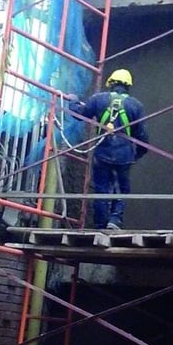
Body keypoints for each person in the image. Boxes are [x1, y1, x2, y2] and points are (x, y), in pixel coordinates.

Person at [69, 68, 149, 230]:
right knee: (121, 190)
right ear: (128, 86)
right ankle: (115, 220)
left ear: (111, 84)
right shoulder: (136, 106)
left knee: (101, 190)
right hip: (124, 156)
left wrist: (73, 100)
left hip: (102, 154)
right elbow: (142, 138)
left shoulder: (99, 99)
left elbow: (79, 113)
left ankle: (100, 224)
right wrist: (136, 155)